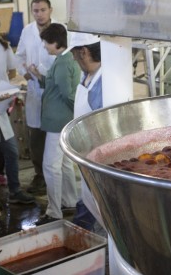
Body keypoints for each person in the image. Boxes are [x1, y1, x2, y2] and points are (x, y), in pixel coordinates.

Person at [27, 23, 81, 226]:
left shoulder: (62, 63)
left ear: (56, 43)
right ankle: (69, 201)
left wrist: (77, 114)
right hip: (62, 119)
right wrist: (38, 75)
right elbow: (55, 87)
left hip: (57, 121)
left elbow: (68, 94)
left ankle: (54, 211)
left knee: (50, 166)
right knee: (65, 164)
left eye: (46, 43)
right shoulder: (65, 59)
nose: (44, 47)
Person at [0, 13, 35, 204]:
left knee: (10, 150)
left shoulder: (3, 48)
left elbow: (10, 71)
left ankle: (15, 189)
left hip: (0, 104)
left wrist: (8, 90)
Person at [13, 0, 57, 195]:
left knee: (55, 135)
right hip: (34, 91)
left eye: (43, 10)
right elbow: (19, 55)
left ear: (51, 10)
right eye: (36, 11)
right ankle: (40, 175)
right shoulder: (27, 31)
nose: (39, 14)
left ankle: (56, 176)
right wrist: (24, 74)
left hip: (55, 90)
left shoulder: (60, 30)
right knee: (36, 137)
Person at [65, 32, 103, 231]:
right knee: (87, 198)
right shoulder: (87, 75)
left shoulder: (103, 83)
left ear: (84, 52)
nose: (73, 58)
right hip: (85, 156)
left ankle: (82, 235)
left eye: (74, 53)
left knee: (96, 203)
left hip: (97, 159)